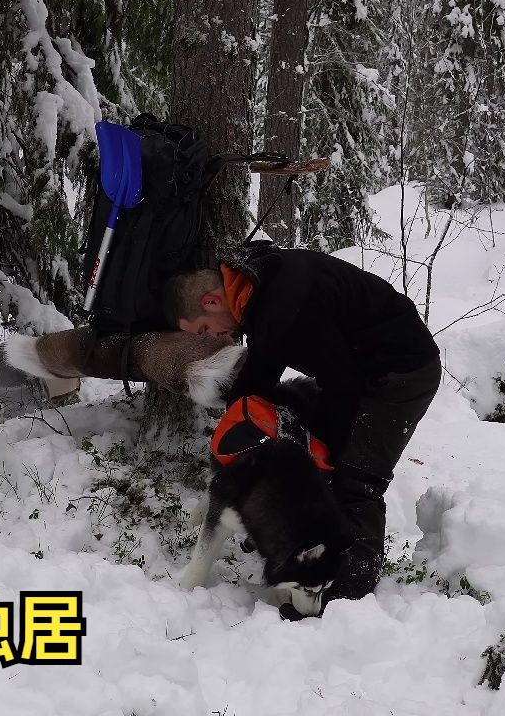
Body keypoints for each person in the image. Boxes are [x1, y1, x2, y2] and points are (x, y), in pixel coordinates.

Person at [163, 242, 441, 614]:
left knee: (355, 479)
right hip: (359, 369)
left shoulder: (282, 307)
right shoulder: (255, 285)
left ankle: (345, 595)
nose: (211, 339)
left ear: (212, 303)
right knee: (320, 461)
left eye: (203, 331)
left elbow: (342, 384)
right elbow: (260, 373)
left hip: (401, 373)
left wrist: (320, 459)